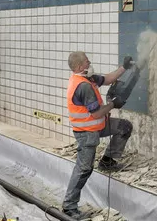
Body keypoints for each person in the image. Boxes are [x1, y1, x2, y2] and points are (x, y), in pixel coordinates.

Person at [62, 51, 134, 219]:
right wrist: (113, 104)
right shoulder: (83, 85)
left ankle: (108, 161)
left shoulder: (89, 77)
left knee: (124, 127)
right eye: (87, 61)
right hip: (87, 133)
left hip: (97, 127)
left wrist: (124, 67)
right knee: (84, 168)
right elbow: (96, 114)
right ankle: (69, 207)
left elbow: (108, 79)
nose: (89, 62)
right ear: (80, 66)